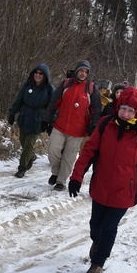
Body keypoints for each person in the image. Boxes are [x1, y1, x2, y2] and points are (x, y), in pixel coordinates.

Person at [68, 86, 137, 273]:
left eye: (131, 110)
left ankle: (98, 263)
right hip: (101, 186)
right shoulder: (106, 124)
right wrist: (76, 177)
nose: (126, 113)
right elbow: (88, 151)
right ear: (118, 107)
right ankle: (97, 242)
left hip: (124, 192)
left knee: (109, 227)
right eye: (123, 108)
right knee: (96, 225)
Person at [41, 60, 102, 191]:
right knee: (53, 151)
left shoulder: (91, 89)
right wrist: (46, 119)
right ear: (76, 71)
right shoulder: (66, 84)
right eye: (81, 70)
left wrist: (94, 125)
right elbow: (54, 103)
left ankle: (61, 181)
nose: (83, 73)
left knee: (69, 158)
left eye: (86, 72)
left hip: (78, 131)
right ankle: (56, 172)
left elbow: (96, 109)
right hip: (60, 126)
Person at [7, 63, 54, 178]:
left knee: (28, 145)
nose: (38, 75)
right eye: (36, 72)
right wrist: (12, 113)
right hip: (25, 117)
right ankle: (32, 157)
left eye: (40, 73)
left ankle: (22, 168)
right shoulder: (27, 85)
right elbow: (19, 100)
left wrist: (49, 122)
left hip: (38, 120)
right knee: (23, 142)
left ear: (45, 76)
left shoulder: (49, 89)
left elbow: (52, 107)